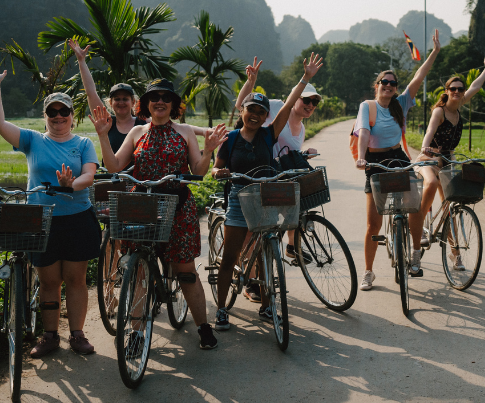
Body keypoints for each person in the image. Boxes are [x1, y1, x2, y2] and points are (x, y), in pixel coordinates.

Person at [90, 78, 228, 349]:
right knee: (139, 270)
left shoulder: (186, 131)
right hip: (142, 208)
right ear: (146, 104)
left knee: (185, 271)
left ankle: (203, 326)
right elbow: (115, 166)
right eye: (154, 97)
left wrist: (209, 150)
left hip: (177, 207)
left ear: (174, 104)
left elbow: (196, 173)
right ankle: (137, 334)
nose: (160, 101)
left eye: (166, 97)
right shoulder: (137, 132)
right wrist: (103, 135)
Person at [0, 67, 101, 358]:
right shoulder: (32, 141)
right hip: (41, 220)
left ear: (73, 115)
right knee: (48, 281)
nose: (58, 117)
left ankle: (77, 334)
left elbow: (90, 176)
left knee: (75, 279)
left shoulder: (83, 144)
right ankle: (49, 336)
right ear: (45, 117)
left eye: (64, 112)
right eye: (52, 112)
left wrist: (72, 184)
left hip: (77, 218)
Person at [211, 53, 324, 330]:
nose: (256, 115)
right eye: (251, 110)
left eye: (261, 112)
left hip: (266, 198)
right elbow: (216, 167)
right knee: (230, 257)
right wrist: (219, 172)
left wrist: (305, 79)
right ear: (242, 112)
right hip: (239, 198)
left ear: (265, 116)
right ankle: (222, 308)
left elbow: (287, 105)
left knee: (266, 252)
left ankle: (266, 306)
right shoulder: (231, 139)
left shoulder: (269, 134)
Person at [356, 30, 441, 290]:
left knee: (411, 205)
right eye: (384, 82)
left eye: (392, 83)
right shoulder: (367, 106)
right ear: (377, 86)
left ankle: (414, 253)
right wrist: (361, 157)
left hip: (398, 157)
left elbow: (419, 76)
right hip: (375, 160)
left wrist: (435, 52)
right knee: (374, 221)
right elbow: (364, 134)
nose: (389, 86)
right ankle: (369, 272)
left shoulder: (401, 103)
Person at [411, 55, 485, 269]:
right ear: (447, 91)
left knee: (451, 205)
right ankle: (419, 227)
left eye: (460, 89)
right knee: (431, 185)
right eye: (453, 89)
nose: (457, 92)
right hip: (429, 158)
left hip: (448, 159)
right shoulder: (440, 111)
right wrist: (425, 146)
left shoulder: (460, 105)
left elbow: (476, 87)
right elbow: (430, 129)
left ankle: (455, 254)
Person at [69, 39, 210, 171]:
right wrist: (82, 61)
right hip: (117, 183)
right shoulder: (107, 123)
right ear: (110, 103)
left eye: (125, 99)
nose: (121, 102)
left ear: (134, 102)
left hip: (139, 181)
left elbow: (173, 125)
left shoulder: (142, 123)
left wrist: (205, 131)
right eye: (117, 99)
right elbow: (91, 93)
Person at [233, 56, 322, 261]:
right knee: (256, 228)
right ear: (297, 97)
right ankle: (252, 273)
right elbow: (242, 105)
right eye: (306, 99)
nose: (310, 104)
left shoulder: (301, 130)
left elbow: (286, 153)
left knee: (298, 203)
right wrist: (251, 82)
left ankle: (292, 246)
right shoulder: (276, 107)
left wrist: (304, 153)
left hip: (276, 175)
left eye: (314, 102)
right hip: (256, 170)